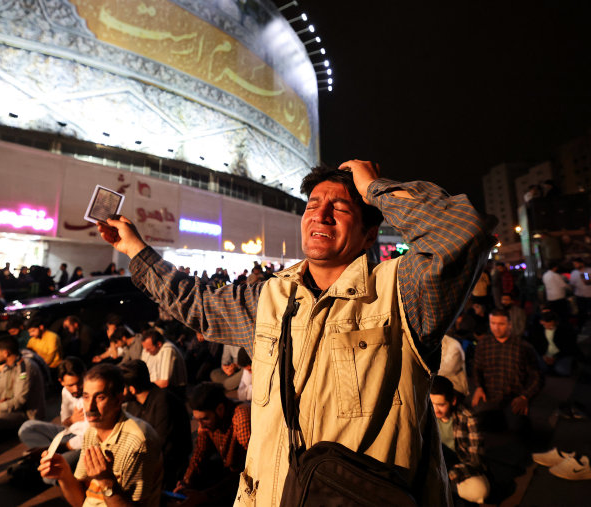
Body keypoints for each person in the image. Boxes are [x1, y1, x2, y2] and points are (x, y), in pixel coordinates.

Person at [97, 160, 491, 504]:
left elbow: (462, 233)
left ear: (370, 234)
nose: (320, 216)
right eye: (313, 205)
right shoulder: (270, 297)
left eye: (339, 208)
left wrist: (375, 188)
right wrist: (135, 248)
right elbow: (197, 304)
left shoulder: (401, 294)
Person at [38, 363, 163, 506]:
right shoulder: (92, 431)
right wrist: (64, 474)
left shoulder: (138, 442)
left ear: (118, 400)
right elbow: (82, 501)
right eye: (86, 397)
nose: (90, 407)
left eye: (100, 397)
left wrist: (107, 482)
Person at [175, 382, 251, 505]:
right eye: (197, 420)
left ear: (220, 409)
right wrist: (186, 482)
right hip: (227, 476)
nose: (200, 427)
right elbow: (200, 453)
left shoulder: (240, 416)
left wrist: (204, 496)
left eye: (204, 419)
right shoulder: (206, 424)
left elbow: (246, 471)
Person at [121, 359, 192, 489]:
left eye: (121, 388)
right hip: (148, 461)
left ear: (132, 389)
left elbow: (161, 444)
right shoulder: (133, 404)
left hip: (170, 466)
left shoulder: (163, 401)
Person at [472, 309, 543, 437]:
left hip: (514, 396)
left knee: (519, 430)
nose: (496, 328)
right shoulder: (483, 344)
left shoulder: (523, 347)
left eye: (501, 324)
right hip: (490, 394)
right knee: (476, 423)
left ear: (510, 324)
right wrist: (478, 387)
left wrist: (525, 397)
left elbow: (537, 376)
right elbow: (477, 367)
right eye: (493, 323)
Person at [18, 357, 88, 480]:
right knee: (27, 428)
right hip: (69, 433)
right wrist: (72, 419)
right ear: (61, 382)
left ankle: (51, 466)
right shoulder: (65, 392)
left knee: (50, 473)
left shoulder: (92, 393)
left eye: (79, 383)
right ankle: (51, 460)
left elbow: (91, 436)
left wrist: (54, 448)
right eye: (71, 385)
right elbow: (65, 422)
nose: (76, 389)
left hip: (84, 444)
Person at [430, 376, 489, 504]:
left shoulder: (468, 417)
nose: (435, 410)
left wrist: (449, 476)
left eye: (441, 405)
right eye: (432, 404)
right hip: (435, 466)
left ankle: (443, 489)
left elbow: (476, 460)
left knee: (481, 491)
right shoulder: (427, 413)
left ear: (453, 401)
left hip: (459, 468)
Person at [527, 310, 580, 377]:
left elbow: (568, 347)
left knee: (562, 370)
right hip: (544, 355)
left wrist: (555, 357)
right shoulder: (538, 330)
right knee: (539, 367)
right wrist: (543, 356)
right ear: (542, 322)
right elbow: (535, 345)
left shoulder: (564, 330)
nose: (549, 328)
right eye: (546, 325)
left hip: (559, 355)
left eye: (551, 326)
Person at [569, 258, 591, 330]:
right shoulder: (573, 273)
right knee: (581, 312)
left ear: (582, 263)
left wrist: (585, 276)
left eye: (576, 264)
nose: (575, 265)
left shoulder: (588, 270)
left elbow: (587, 282)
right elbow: (572, 284)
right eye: (574, 264)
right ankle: (580, 328)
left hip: (589, 295)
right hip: (579, 296)